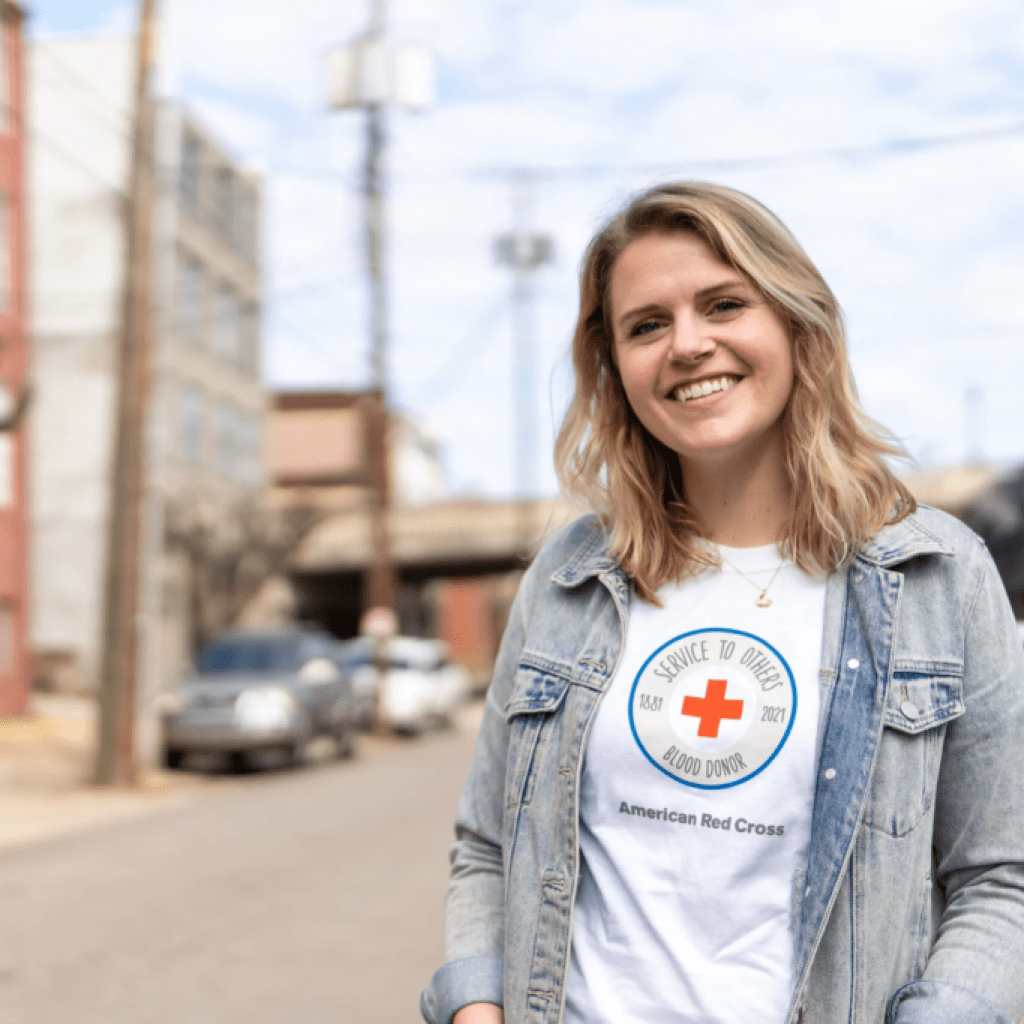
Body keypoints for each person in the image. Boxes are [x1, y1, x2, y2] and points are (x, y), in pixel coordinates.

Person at [420, 182, 1024, 1024]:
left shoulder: (940, 576)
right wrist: (476, 1010)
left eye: (723, 303)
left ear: (794, 323)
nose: (688, 345)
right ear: (615, 366)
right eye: (647, 324)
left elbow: (1002, 876)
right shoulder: (568, 578)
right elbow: (490, 845)